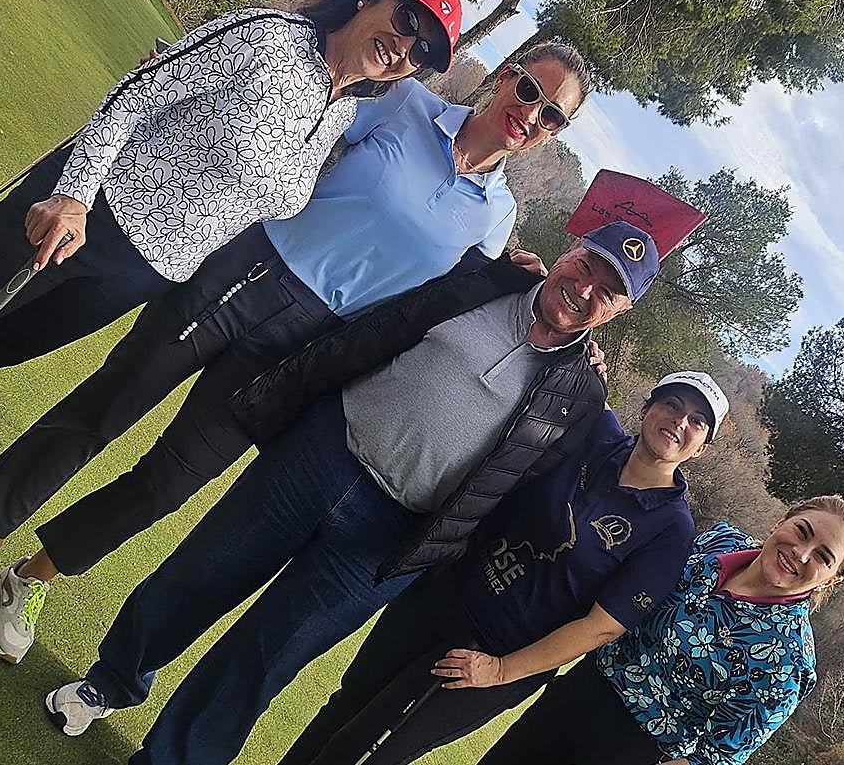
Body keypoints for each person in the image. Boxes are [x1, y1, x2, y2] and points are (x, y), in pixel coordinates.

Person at [0, 41, 592, 665]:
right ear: (505, 76)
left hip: (309, 345)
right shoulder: (407, 105)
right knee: (106, 407)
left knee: (169, 482)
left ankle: (28, 577)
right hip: (249, 268)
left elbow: (458, 305)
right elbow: (296, 129)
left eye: (553, 117)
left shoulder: (497, 218)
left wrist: (569, 342)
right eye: (530, 90)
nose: (532, 116)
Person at [0, 0, 459, 536]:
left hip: (140, 272)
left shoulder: (337, 116)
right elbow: (141, 89)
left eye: (423, 51)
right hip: (85, 212)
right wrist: (75, 195)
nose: (404, 47)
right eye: (407, 20)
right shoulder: (270, 35)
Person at [44, 221, 660, 765]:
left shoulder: (581, 400)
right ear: (570, 251)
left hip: (388, 539)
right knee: (201, 575)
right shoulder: (479, 275)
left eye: (607, 290)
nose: (585, 290)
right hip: (321, 453)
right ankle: (113, 680)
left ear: (619, 311)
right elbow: (380, 325)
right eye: (587, 266)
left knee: (267, 655)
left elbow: (525, 489)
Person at [279, 372, 731, 765]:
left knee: (374, 749)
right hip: (441, 596)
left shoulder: (671, 529)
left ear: (703, 449)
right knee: (347, 703)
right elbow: (574, 378)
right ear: (649, 406)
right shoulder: (598, 435)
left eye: (697, 421)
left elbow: (601, 628)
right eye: (673, 404)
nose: (680, 421)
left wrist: (497, 671)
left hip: (495, 652)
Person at [476, 494, 844, 765]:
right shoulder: (718, 541)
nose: (801, 554)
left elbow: (714, 757)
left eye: (823, 556)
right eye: (802, 531)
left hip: (630, 750)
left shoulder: (789, 661)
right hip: (577, 693)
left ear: (830, 580)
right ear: (782, 522)